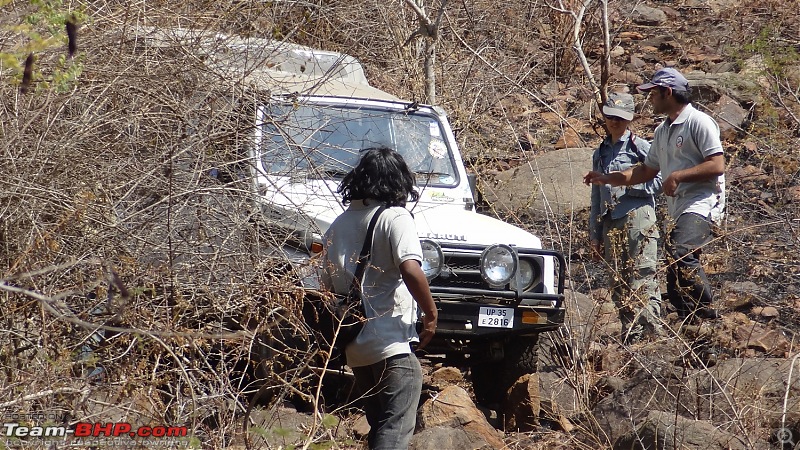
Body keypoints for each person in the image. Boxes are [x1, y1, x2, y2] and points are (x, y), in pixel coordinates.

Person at [584, 67, 725, 324]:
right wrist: (607, 178)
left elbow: (717, 165)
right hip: (677, 207)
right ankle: (691, 327)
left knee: (681, 252)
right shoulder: (662, 131)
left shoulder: (699, 121)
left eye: (653, 93)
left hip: (703, 202)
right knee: (673, 267)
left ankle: (707, 318)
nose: (649, 99)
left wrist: (677, 176)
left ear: (667, 92)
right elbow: (645, 171)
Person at [320, 147, 438, 450]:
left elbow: (326, 288)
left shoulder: (338, 224)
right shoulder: (395, 217)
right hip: (390, 344)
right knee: (396, 427)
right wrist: (431, 315)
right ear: (398, 181)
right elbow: (410, 268)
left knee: (379, 427)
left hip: (355, 348)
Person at [589, 92, 664, 343]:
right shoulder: (599, 153)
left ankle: (653, 333)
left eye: (620, 118)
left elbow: (660, 180)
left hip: (638, 215)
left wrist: (629, 186)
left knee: (642, 275)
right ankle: (631, 335)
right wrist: (595, 235)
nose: (615, 122)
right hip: (610, 220)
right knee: (618, 279)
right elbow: (596, 197)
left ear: (629, 119)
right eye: (610, 116)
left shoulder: (641, 147)